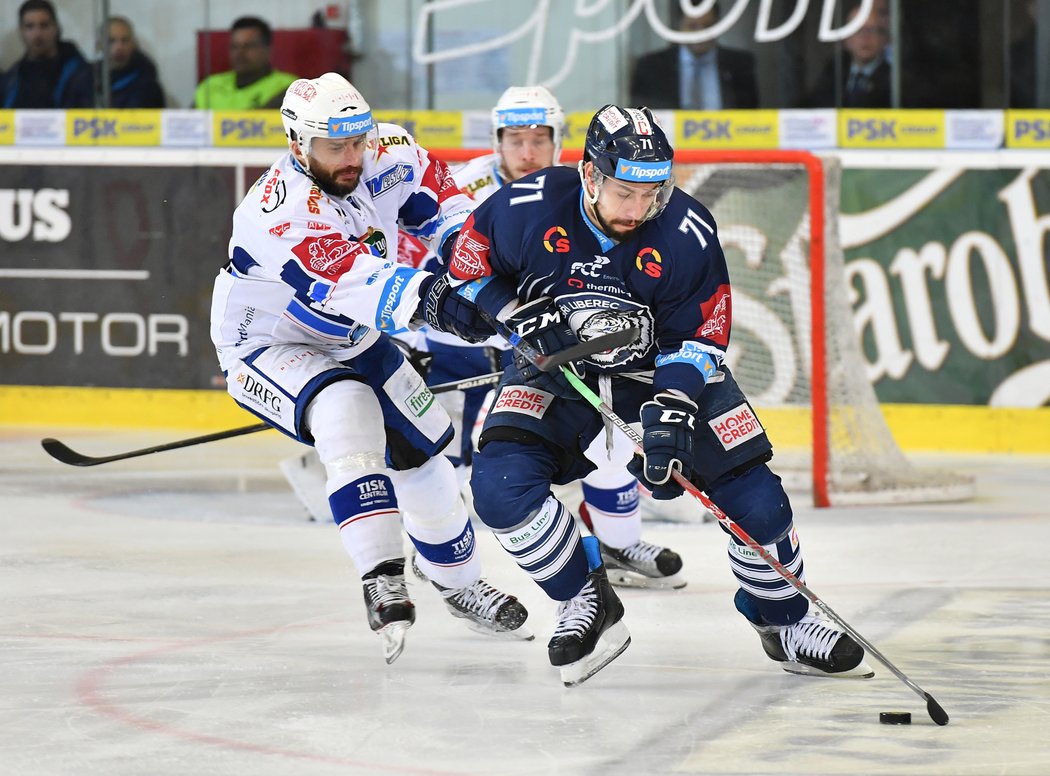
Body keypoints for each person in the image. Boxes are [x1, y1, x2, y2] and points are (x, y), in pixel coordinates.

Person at [446, 104, 874, 686]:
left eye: (652, 193)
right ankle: (585, 600)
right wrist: (517, 314)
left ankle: (785, 621)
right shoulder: (527, 206)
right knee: (499, 490)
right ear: (591, 175)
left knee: (758, 502)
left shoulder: (684, 230)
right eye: (625, 192)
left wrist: (672, 409)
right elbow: (466, 267)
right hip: (554, 368)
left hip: (656, 371)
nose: (638, 209)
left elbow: (699, 335)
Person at [280, 85, 691, 591]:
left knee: (603, 434)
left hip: (556, 345)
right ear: (497, 140)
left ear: (560, 142)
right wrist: (411, 335)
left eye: (539, 139)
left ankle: (616, 543)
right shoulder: (469, 186)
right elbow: (407, 263)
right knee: (451, 461)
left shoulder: (588, 195)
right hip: (467, 345)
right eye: (515, 139)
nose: (527, 153)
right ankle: (434, 556)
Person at [209, 72, 531, 664]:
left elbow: (451, 217)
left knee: (423, 449)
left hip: (353, 336)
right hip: (268, 343)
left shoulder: (390, 152)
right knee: (346, 409)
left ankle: (460, 586)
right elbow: (353, 281)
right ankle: (381, 573)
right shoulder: (275, 213)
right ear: (296, 142)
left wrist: (490, 280)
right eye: (337, 148)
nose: (354, 158)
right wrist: (445, 304)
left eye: (359, 142)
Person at [629, 2, 758, 110]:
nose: (700, 34)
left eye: (707, 26)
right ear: (679, 26)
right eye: (692, 26)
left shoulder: (739, 64)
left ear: (719, 26)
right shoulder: (651, 66)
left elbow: (751, 115)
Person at [1, 0, 93, 109]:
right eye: (30, 27)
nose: (37, 34)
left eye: (44, 25)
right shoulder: (11, 79)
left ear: (56, 28)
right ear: (21, 31)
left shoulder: (81, 75)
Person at [193, 16, 297, 109]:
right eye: (235, 46)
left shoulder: (290, 88)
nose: (240, 53)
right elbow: (187, 125)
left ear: (267, 50)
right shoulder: (210, 86)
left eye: (249, 46)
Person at [806, 1, 891, 108]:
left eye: (871, 30)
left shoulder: (895, 81)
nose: (865, 38)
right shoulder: (833, 73)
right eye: (857, 30)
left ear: (883, 39)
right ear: (846, 38)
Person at [100, 16, 165, 108]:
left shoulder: (148, 85)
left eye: (125, 40)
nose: (119, 47)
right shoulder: (88, 79)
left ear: (132, 44)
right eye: (111, 41)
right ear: (99, 45)